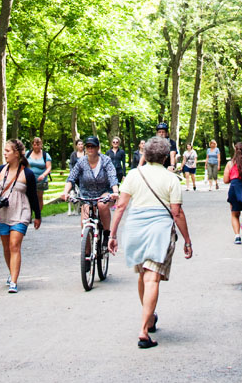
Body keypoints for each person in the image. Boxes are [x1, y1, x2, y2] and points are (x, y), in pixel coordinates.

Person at [107, 136, 193, 349]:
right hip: (159, 231)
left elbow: (120, 207)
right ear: (165, 157)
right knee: (152, 278)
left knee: (143, 275)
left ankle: (150, 317)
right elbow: (177, 212)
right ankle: (143, 330)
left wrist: (113, 234)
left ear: (144, 154)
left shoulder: (134, 175)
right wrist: (187, 240)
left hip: (135, 229)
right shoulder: (171, 178)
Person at [0, 139, 41, 293]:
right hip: (3, 213)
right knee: (7, 247)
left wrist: (37, 216)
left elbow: (33, 196)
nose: (5, 153)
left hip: (21, 212)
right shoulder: (0, 170)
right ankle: (11, 272)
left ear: (16, 153)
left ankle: (14, 281)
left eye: (7, 151)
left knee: (15, 245)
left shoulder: (27, 173)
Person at [62, 136, 119, 242]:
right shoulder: (81, 162)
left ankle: (106, 234)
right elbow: (71, 178)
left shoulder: (106, 160)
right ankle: (87, 253)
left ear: (98, 148)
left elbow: (112, 177)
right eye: (88, 146)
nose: (90, 149)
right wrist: (65, 192)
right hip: (86, 195)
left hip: (103, 192)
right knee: (85, 223)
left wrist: (115, 192)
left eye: (93, 146)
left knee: (102, 205)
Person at [25, 136, 52, 211]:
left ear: (41, 145)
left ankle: (38, 214)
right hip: (29, 179)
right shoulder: (28, 154)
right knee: (28, 196)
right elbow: (23, 164)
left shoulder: (45, 155)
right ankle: (28, 214)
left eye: (38, 145)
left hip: (41, 180)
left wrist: (43, 175)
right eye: (35, 145)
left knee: (39, 196)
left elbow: (49, 167)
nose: (36, 146)